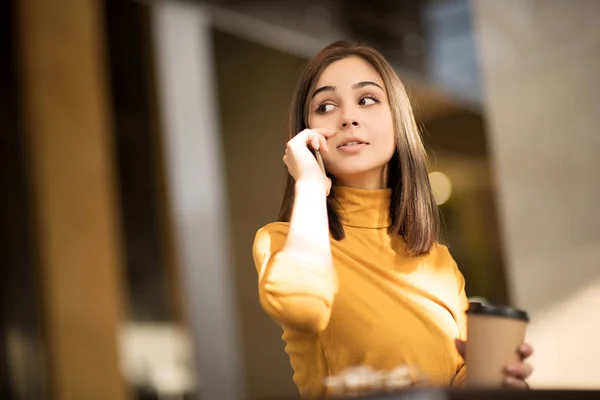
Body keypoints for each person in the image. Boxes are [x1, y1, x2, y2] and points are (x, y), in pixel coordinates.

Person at [252, 40, 533, 398]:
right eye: (325, 106)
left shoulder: (439, 262)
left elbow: (460, 380)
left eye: (366, 99)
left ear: (397, 122)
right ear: (306, 134)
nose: (348, 117)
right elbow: (301, 306)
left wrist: (497, 379)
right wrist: (308, 184)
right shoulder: (280, 241)